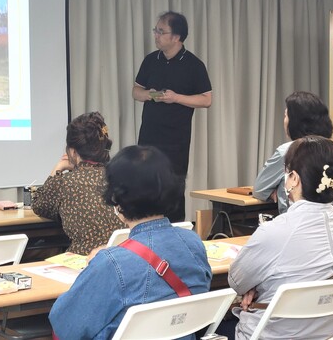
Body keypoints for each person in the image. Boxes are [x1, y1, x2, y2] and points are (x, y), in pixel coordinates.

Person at [49, 145, 212, 339]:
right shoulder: (193, 243)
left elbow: (65, 325)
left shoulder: (110, 263)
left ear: (117, 197)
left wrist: (95, 266)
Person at [227, 136, 333, 340]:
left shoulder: (274, 230)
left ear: (294, 179)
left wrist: (254, 287)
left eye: (286, 173)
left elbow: (236, 281)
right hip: (327, 335)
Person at [132, 11, 212, 222]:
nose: (156, 35)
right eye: (155, 30)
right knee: (146, 189)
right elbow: (136, 91)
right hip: (148, 138)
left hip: (176, 142)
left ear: (176, 37)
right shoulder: (151, 60)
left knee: (173, 192)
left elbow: (206, 100)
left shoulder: (193, 65)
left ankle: (175, 235)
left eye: (161, 31)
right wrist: (150, 95)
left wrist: (176, 98)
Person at [31, 112, 125, 255]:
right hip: (125, 256)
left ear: (73, 152)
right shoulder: (121, 177)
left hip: (85, 260)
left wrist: (58, 168)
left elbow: (39, 205)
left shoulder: (66, 182)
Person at [253, 91, 333, 214]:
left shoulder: (288, 151)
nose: (284, 121)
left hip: (299, 221)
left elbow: (260, 190)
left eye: (286, 116)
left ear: (295, 121)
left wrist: (280, 191)